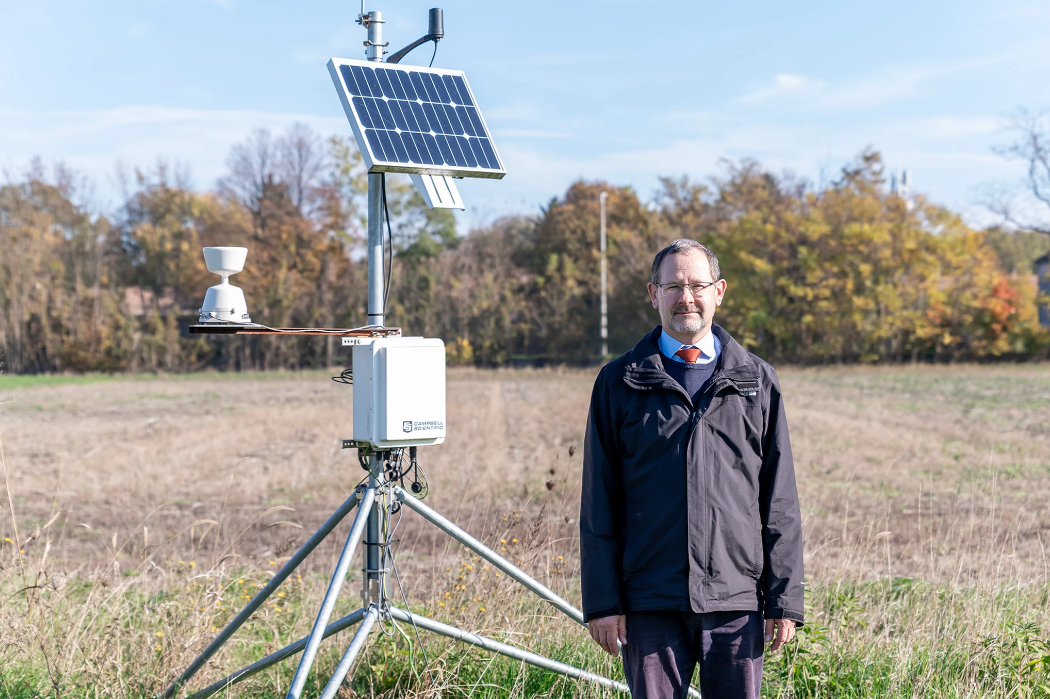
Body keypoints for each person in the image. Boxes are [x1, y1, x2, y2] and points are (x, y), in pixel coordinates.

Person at [580, 239, 804, 699]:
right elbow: (598, 504)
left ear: (718, 291)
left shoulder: (757, 381)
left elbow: (778, 499)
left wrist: (784, 600)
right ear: (653, 293)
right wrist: (603, 602)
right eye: (674, 286)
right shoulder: (618, 382)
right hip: (649, 602)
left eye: (697, 285)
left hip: (736, 601)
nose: (686, 297)